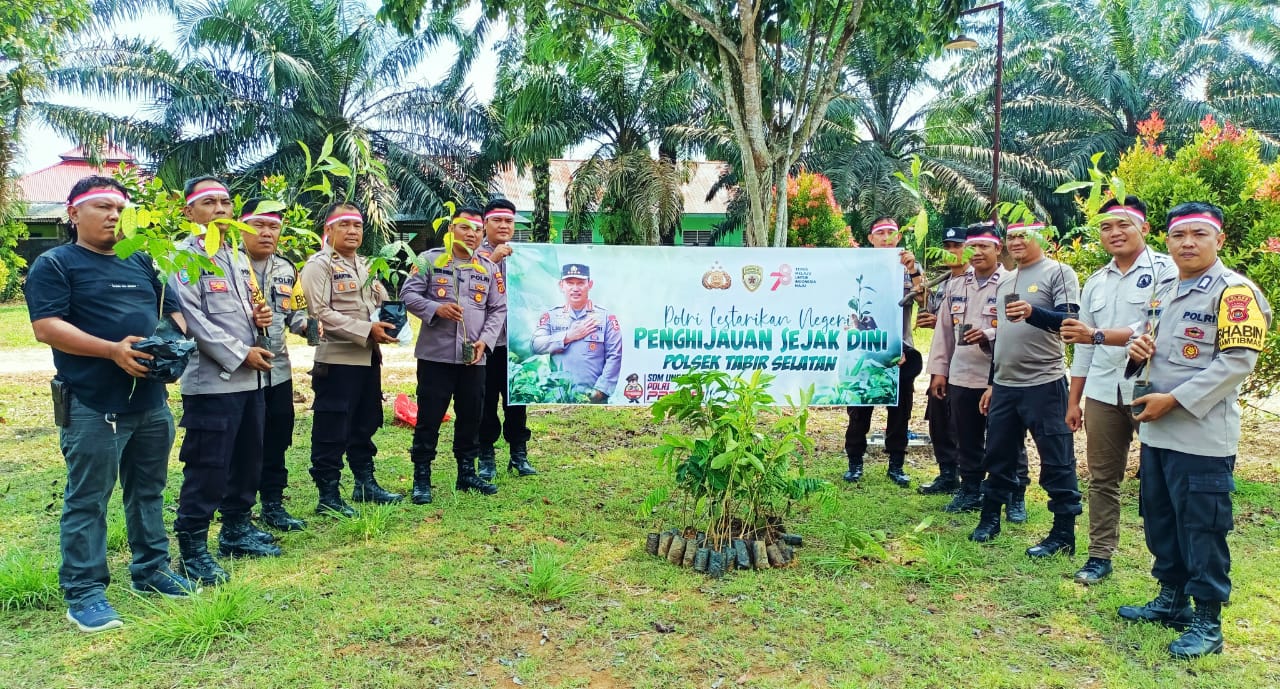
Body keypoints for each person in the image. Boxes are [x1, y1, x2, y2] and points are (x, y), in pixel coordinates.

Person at [26, 176, 198, 632]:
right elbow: (46, 326)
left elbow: (174, 312)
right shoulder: (56, 263)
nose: (112, 216)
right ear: (73, 213)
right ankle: (84, 592)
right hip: (92, 404)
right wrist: (112, 351)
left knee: (148, 491)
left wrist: (168, 344)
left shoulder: (142, 260)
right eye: (101, 207)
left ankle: (152, 571)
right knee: (88, 500)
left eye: (119, 209)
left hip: (151, 403)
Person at [1119, 202, 1270, 659]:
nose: (1188, 242)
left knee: (1202, 527)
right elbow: (1149, 344)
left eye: (1199, 234)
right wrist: (1138, 350)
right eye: (1179, 234)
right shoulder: (1163, 289)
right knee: (1161, 520)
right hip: (1157, 433)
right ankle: (1171, 600)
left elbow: (1236, 363)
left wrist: (1175, 399)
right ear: (1166, 240)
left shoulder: (1235, 292)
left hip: (1201, 437)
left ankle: (1208, 622)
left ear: (1218, 240)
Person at [169, 176, 282, 586]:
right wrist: (241, 353)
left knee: (247, 459)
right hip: (213, 383)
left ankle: (236, 530)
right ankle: (193, 549)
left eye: (226, 202)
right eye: (209, 202)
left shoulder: (233, 256)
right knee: (208, 467)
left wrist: (259, 319)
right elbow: (193, 320)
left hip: (250, 383)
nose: (220, 209)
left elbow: (240, 310)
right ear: (189, 212)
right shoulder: (183, 257)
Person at [1060, 197, 1176, 585]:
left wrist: (1095, 335)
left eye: (1124, 225)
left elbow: (1150, 330)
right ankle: (1098, 556)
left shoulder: (1167, 272)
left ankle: (1171, 563)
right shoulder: (1096, 282)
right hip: (1102, 392)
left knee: (1163, 478)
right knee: (1102, 478)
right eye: (1107, 226)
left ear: (1143, 227)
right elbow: (1084, 347)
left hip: (1153, 391)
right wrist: (1074, 399)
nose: (1115, 233)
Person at [970, 219, 1083, 558]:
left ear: (1044, 238)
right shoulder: (1006, 280)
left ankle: (1063, 532)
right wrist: (992, 382)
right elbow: (1003, 334)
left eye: (1024, 235)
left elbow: (1068, 321)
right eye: (1012, 236)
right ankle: (990, 518)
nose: (1016, 242)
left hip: (1045, 383)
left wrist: (1034, 312)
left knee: (1057, 460)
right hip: (1005, 385)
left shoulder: (1059, 272)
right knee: (998, 455)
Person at [299, 202, 404, 518]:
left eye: (357, 225)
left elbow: (378, 302)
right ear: (328, 230)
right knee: (332, 428)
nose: (352, 231)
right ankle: (328, 493)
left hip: (368, 359)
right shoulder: (319, 265)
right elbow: (318, 313)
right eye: (344, 224)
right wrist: (365, 329)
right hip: (337, 360)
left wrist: (391, 315)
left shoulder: (367, 265)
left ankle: (364, 482)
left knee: (365, 423)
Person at [401, 206, 507, 503]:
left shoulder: (488, 267)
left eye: (476, 230)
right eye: (464, 228)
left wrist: (486, 341)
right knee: (429, 417)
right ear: (451, 230)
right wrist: (436, 309)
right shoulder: (429, 261)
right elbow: (409, 294)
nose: (471, 234)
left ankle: (466, 472)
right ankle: (422, 476)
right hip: (436, 357)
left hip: (474, 357)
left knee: (472, 416)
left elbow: (498, 308)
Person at [925, 223, 1014, 513]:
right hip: (962, 373)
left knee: (1006, 438)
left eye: (984, 247)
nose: (976, 253)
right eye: (972, 247)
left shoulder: (1011, 284)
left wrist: (989, 335)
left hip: (999, 376)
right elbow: (943, 333)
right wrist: (940, 371)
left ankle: (1014, 494)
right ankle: (970, 489)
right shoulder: (956, 284)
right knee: (966, 436)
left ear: (998, 248)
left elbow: (1017, 332)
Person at [240, 199, 309, 532]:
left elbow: (296, 313)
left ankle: (273, 504)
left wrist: (308, 325)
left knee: (278, 437)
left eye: (273, 226)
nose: (266, 233)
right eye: (258, 225)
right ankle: (237, 510)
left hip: (278, 373)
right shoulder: (229, 264)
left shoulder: (286, 269)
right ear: (241, 227)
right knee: (243, 443)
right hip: (238, 374)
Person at [842, 217, 924, 487]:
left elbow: (924, 300)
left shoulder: (909, 268)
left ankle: (896, 464)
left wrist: (912, 269)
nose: (887, 237)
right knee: (859, 408)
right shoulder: (855, 267)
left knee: (900, 411)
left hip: (902, 352)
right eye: (881, 233)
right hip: (863, 351)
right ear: (870, 238)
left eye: (892, 232)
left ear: (898, 238)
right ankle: (855, 462)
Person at [475, 199, 536, 480]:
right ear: (485, 223)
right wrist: (493, 260)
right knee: (485, 401)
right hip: (485, 343)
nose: (503, 226)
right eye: (497, 220)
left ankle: (518, 454)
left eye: (509, 221)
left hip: (516, 343)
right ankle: (486, 455)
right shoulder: (472, 256)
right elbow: (468, 285)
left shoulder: (525, 256)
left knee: (517, 399)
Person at [915, 226, 968, 495]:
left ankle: (970, 479)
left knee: (965, 424)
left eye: (956, 246)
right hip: (943, 362)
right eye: (947, 246)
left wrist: (941, 323)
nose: (951, 251)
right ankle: (947, 474)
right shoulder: (945, 282)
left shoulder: (978, 280)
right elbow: (932, 312)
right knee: (938, 419)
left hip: (972, 364)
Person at [531, 263, 623, 403]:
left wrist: (601, 391)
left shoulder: (605, 317)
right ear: (561, 285)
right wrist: (567, 337)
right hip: (557, 397)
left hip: (593, 395)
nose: (575, 288)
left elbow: (614, 356)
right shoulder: (551, 316)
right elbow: (536, 345)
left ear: (590, 284)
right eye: (570, 283)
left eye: (580, 283)